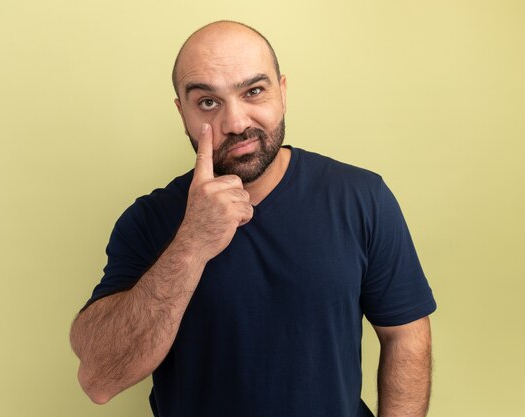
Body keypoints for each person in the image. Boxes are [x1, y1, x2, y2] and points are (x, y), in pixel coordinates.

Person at [70, 20, 437, 417]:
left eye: (254, 91)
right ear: (183, 113)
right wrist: (192, 243)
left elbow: (406, 337)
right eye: (208, 102)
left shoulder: (363, 198)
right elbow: (100, 379)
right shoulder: (148, 220)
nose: (237, 123)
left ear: (282, 92)